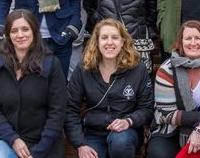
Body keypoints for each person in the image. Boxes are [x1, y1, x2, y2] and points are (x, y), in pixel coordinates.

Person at [0, 9, 67, 158]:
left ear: (34, 32)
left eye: (25, 29)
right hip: (6, 137)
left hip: (42, 142)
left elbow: (57, 112)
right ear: (8, 35)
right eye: (14, 31)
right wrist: (14, 139)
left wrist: (38, 152)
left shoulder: (51, 64)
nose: (20, 35)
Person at [65, 19, 154, 158]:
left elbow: (147, 108)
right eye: (104, 37)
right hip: (94, 132)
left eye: (115, 37)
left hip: (127, 131)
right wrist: (80, 144)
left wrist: (128, 121)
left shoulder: (137, 68)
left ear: (123, 41)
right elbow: (69, 108)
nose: (110, 42)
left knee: (120, 142)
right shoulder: (84, 68)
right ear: (97, 41)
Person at [148, 21, 200, 158]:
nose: (193, 43)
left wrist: (199, 129)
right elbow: (167, 114)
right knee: (159, 153)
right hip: (171, 127)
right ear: (180, 43)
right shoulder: (167, 69)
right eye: (188, 38)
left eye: (198, 38)